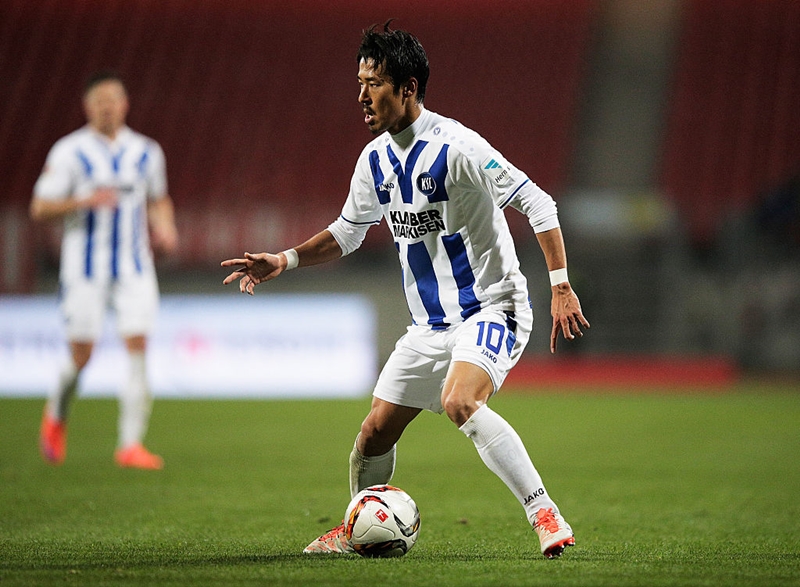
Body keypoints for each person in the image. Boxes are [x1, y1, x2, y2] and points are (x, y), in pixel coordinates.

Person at [222, 24, 589, 558]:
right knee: (373, 434)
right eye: (360, 83)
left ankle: (544, 513)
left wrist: (560, 286)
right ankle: (357, 529)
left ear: (408, 88)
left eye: (374, 84)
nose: (362, 96)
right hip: (427, 327)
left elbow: (538, 202)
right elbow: (348, 232)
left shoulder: (459, 148)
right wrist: (286, 259)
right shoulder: (374, 160)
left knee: (460, 401)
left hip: (492, 308)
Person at [31, 70, 178, 470]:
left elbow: (158, 199)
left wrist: (165, 227)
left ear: (125, 104)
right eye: (99, 101)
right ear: (87, 106)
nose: (106, 107)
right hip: (84, 269)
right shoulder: (69, 152)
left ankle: (130, 445)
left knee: (138, 346)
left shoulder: (146, 152)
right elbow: (40, 207)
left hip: (134, 267)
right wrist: (83, 202)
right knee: (81, 355)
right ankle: (56, 414)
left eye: (113, 100)